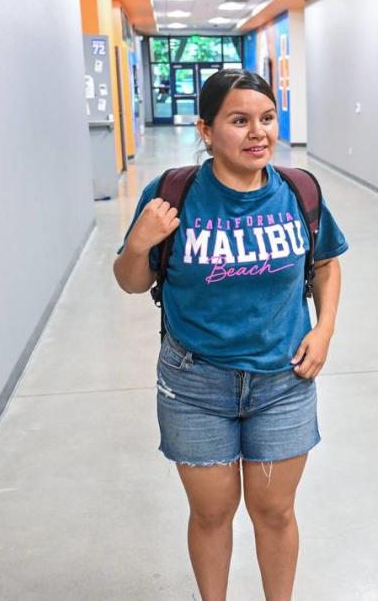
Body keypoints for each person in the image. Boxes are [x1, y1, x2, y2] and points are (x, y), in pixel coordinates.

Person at [113, 69, 348, 601]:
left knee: (276, 512)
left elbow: (327, 262)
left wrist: (325, 330)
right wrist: (138, 244)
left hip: (284, 380)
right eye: (239, 121)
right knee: (212, 514)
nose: (257, 133)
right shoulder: (173, 194)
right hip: (195, 384)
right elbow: (131, 282)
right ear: (205, 129)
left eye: (266, 119)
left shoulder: (298, 191)